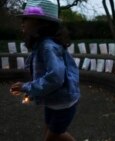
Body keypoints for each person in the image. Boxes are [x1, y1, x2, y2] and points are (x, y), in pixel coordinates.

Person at [9, 0, 80, 141]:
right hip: (52, 100)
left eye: (26, 19)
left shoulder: (47, 46)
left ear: (41, 23)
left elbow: (56, 77)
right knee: (48, 131)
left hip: (63, 102)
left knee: (54, 136)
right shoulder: (41, 44)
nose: (22, 22)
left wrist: (27, 87)